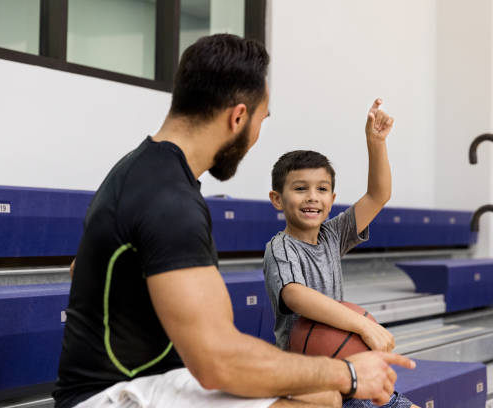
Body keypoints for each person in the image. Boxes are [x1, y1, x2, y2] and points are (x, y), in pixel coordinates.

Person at [53, 34, 415, 408]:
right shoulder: (169, 200)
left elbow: (80, 268)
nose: (257, 134)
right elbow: (219, 361)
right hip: (111, 397)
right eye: (261, 120)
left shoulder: (140, 171)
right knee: (321, 399)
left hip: (142, 381)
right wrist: (349, 373)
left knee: (323, 396)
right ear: (238, 116)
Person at [263, 100, 419, 408]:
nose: (312, 197)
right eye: (300, 188)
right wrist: (363, 325)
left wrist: (376, 142)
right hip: (306, 374)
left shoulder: (333, 234)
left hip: (345, 365)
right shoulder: (280, 247)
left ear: (332, 199)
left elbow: (378, 195)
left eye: (322, 189)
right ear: (277, 199)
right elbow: (295, 295)